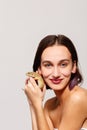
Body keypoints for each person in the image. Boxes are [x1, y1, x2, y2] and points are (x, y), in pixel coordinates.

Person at [24, 34, 87, 130]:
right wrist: (33, 104)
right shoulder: (49, 105)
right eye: (48, 65)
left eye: (63, 64)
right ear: (39, 69)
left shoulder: (78, 98)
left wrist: (37, 104)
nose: (56, 73)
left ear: (73, 67)